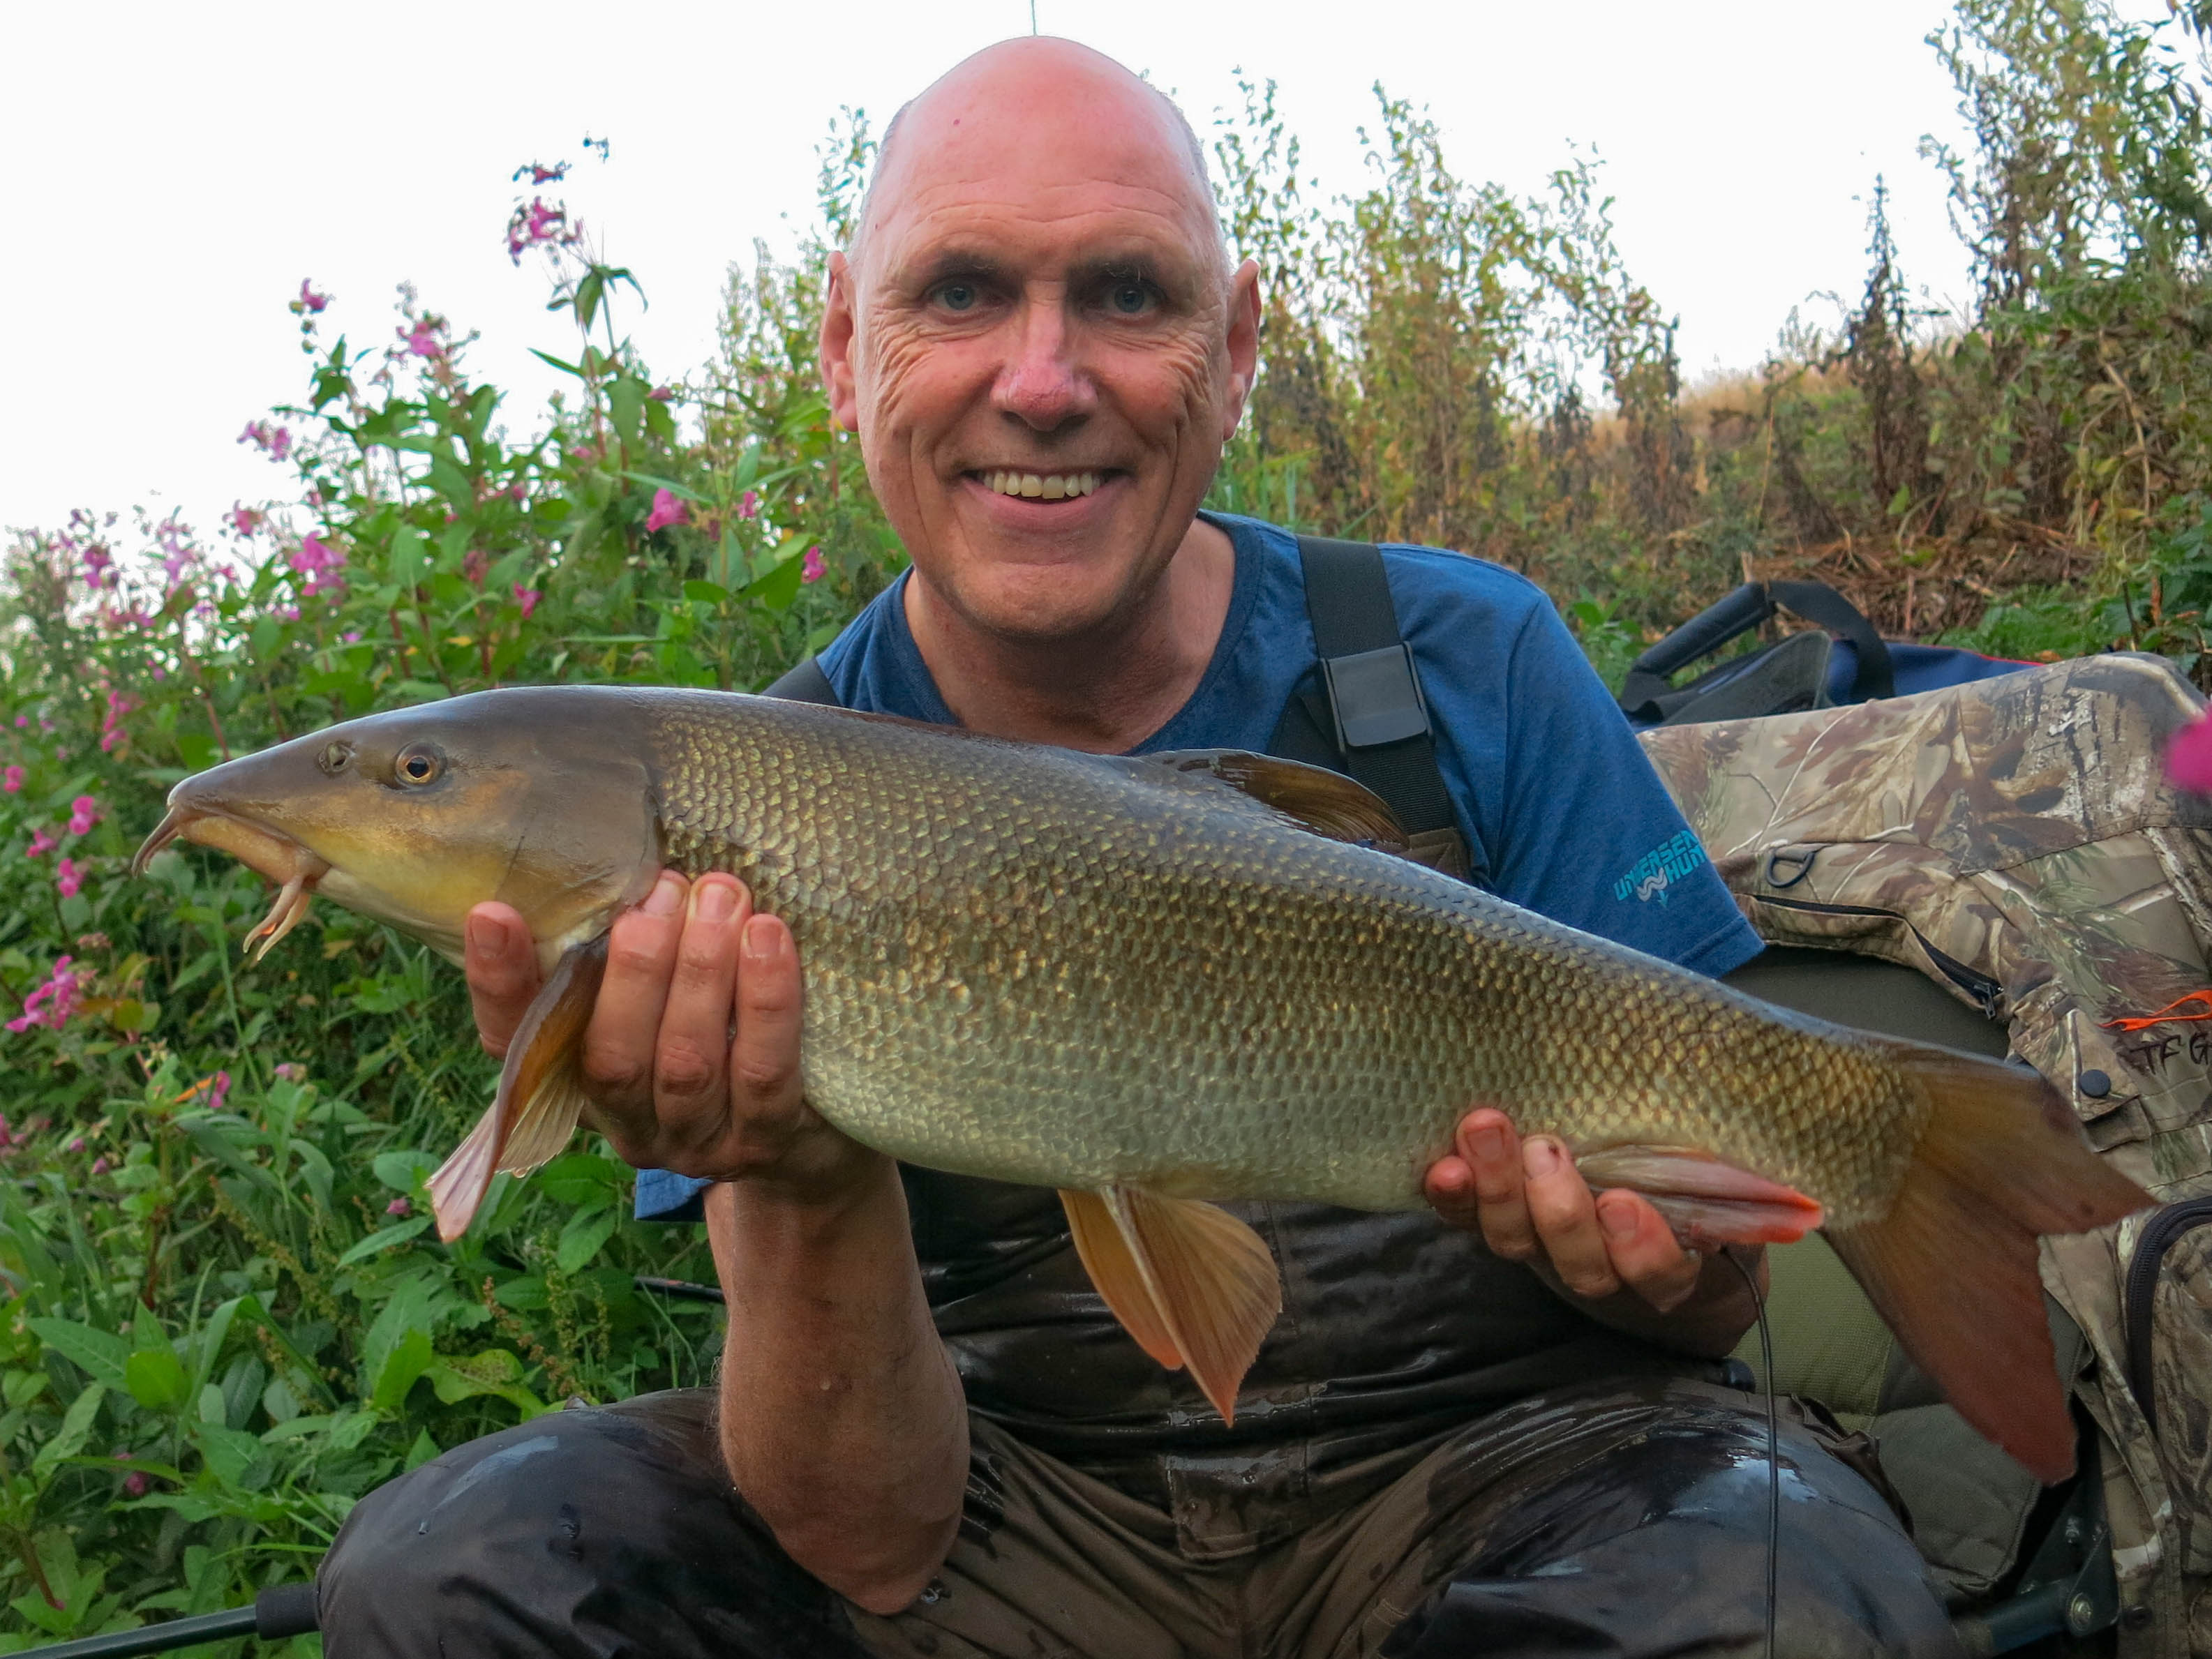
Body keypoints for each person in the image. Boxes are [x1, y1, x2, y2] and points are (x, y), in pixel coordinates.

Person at [318, 37, 1963, 1659]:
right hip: (1016, 1520)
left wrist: (1654, 1272)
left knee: (1778, 1587)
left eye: (1125, 293)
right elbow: (865, 1541)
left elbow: (1714, 1313)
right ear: (843, 344)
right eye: (958, 293)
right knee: (457, 1568)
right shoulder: (739, 816)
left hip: (1498, 1475)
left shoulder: (1463, 656)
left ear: (1233, 347)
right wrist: (807, 1178)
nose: (1041, 382)